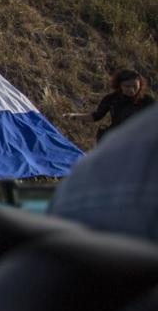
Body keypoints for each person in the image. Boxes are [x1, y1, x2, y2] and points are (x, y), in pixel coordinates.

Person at [49, 101, 158, 241]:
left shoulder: (146, 103)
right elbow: (96, 116)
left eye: (132, 88)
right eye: (126, 88)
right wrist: (75, 116)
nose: (129, 91)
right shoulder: (114, 100)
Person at [63, 68, 155, 142]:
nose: (131, 90)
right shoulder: (111, 99)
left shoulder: (147, 101)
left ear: (140, 85)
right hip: (116, 138)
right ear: (119, 85)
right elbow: (96, 116)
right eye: (127, 86)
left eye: (135, 86)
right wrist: (74, 116)